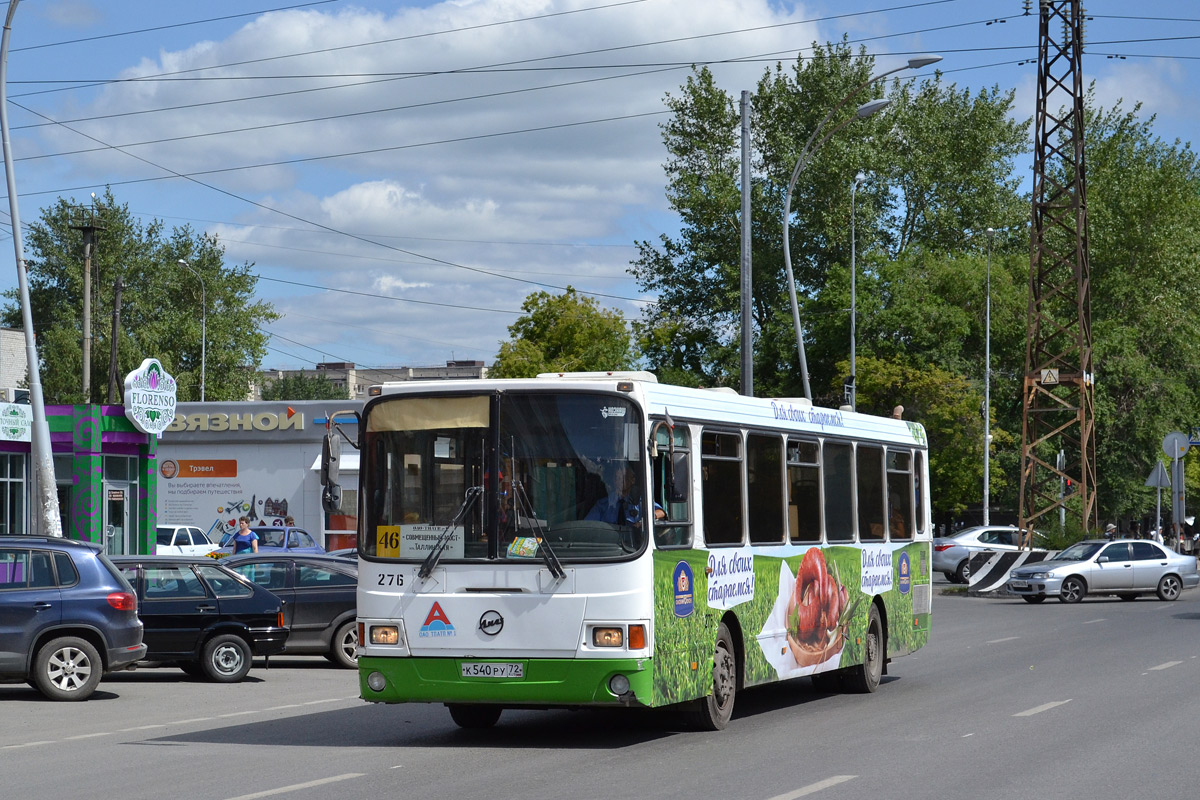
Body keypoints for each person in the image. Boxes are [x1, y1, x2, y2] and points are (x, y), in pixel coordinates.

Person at [586, 464, 666, 525]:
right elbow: (588, 525)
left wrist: (643, 522)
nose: (619, 480)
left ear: (632, 480)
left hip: (635, 544)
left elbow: (661, 512)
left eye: (623, 477)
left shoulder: (640, 501)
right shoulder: (603, 504)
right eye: (617, 477)